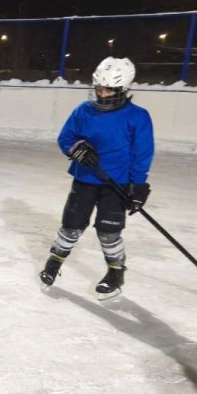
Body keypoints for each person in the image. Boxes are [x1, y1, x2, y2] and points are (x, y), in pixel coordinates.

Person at [38, 56, 154, 299]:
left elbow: (142, 153)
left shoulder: (137, 117)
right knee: (71, 226)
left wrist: (138, 186)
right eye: (98, 88)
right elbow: (65, 138)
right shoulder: (83, 111)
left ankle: (115, 272)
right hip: (85, 180)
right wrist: (76, 148)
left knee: (108, 232)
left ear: (122, 89)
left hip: (117, 185)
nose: (100, 93)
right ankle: (54, 262)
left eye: (107, 89)